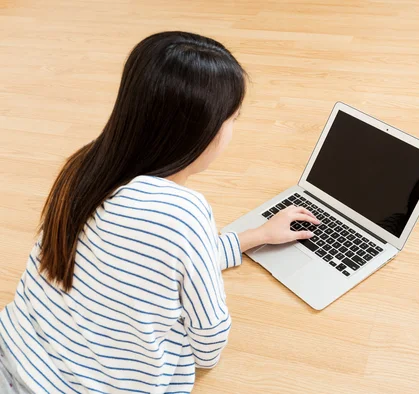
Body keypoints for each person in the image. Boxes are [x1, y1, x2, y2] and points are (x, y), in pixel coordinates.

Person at [0, 31, 320, 394]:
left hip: (11, 351)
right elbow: (209, 342)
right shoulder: (183, 211)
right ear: (203, 130)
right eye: (233, 118)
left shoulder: (86, 166)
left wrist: (253, 237)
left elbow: (154, 259)